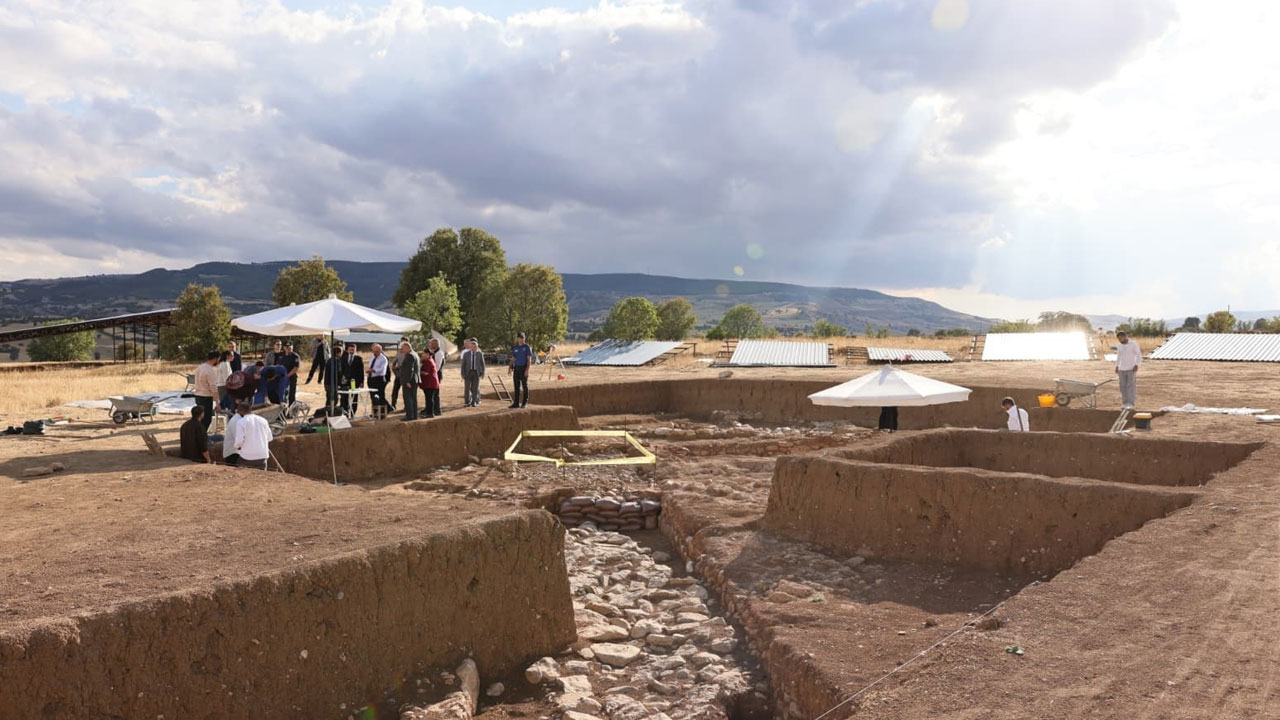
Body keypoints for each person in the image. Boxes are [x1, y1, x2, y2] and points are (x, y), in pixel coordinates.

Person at [231, 401, 273, 470]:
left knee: (240, 469)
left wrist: (237, 447)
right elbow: (269, 438)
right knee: (261, 475)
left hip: (247, 457)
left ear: (241, 411)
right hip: (262, 456)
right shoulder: (263, 420)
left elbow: (239, 441)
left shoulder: (241, 422)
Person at [193, 351, 220, 432]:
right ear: (215, 359)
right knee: (206, 420)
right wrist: (217, 403)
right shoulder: (210, 370)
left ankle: (199, 435)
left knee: (199, 419)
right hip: (206, 397)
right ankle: (202, 436)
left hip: (198, 395)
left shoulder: (199, 367)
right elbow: (213, 387)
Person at [1115, 330, 1141, 409]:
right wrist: (1117, 366)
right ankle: (1125, 403)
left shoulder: (1133, 344)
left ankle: (1130, 403)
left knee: (1130, 386)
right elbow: (1119, 356)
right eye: (1118, 339)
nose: (1120, 340)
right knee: (1122, 386)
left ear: (1125, 336)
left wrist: (1137, 364)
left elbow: (1139, 355)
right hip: (1121, 369)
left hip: (1131, 368)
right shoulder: (1119, 346)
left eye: (1121, 338)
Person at [338, 342, 365, 415]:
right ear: (347, 350)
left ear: (355, 350)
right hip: (345, 382)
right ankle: (345, 411)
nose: (351, 351)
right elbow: (341, 370)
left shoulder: (358, 359)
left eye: (353, 350)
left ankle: (353, 413)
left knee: (354, 397)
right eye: (350, 350)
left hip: (355, 382)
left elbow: (361, 371)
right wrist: (340, 381)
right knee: (344, 397)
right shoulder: (344, 358)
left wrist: (362, 382)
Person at [508, 331, 533, 409]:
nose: (521, 339)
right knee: (516, 386)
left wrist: (527, 370)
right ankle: (516, 403)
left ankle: (524, 403)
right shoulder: (515, 348)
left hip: (524, 368)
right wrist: (510, 368)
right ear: (518, 338)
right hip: (516, 368)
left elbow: (529, 359)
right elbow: (513, 358)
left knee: (525, 386)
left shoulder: (527, 347)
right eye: (520, 338)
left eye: (523, 338)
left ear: (524, 338)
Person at [397, 340, 420, 420]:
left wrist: (407, 381)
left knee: (408, 398)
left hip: (410, 381)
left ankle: (410, 415)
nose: (401, 350)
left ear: (407, 348)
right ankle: (414, 415)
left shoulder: (410, 356)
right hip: (414, 380)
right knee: (413, 398)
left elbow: (410, 369)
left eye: (402, 348)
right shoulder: (414, 354)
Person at [366, 343, 390, 416]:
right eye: (374, 351)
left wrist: (373, 370)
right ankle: (375, 412)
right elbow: (370, 366)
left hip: (379, 379)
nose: (375, 353)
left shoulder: (383, 358)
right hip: (371, 379)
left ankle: (382, 413)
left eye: (377, 351)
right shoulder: (372, 357)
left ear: (380, 351)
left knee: (380, 396)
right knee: (373, 397)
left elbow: (382, 370)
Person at [460, 338, 485, 407]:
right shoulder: (466, 354)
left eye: (475, 347)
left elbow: (482, 364)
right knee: (467, 388)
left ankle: (474, 402)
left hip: (476, 373)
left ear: (477, 347)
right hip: (468, 373)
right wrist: (462, 373)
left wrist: (483, 373)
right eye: (472, 346)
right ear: (470, 347)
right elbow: (463, 365)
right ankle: (467, 402)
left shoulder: (480, 354)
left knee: (475, 388)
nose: (474, 348)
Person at [388, 336, 409, 411]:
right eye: (401, 342)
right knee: (395, 390)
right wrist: (393, 367)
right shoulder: (399, 351)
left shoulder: (409, 352)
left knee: (405, 391)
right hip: (399, 374)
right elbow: (395, 360)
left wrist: (399, 366)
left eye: (403, 342)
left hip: (405, 374)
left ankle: (407, 406)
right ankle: (393, 405)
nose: (401, 343)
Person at [324, 342, 345, 415]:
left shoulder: (329, 360)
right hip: (333, 383)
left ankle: (327, 412)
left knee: (328, 398)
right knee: (334, 399)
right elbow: (338, 372)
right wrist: (341, 382)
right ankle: (331, 413)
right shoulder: (337, 361)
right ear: (339, 353)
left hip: (327, 382)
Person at [420, 349, 441, 417]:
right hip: (430, 383)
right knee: (429, 398)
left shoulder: (428, 361)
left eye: (423, 353)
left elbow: (426, 373)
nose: (422, 355)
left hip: (430, 383)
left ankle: (430, 413)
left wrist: (418, 372)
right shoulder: (429, 360)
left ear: (427, 354)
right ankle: (429, 412)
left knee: (429, 399)